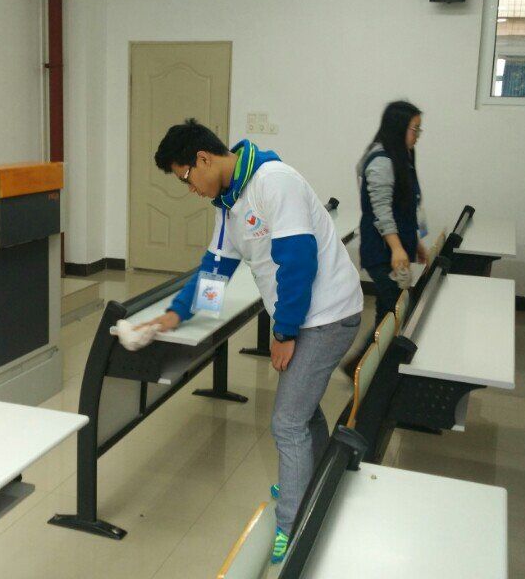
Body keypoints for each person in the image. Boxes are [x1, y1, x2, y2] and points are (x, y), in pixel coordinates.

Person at [143, 119, 363, 564]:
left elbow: (298, 263)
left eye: (186, 178)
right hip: (307, 317)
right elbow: (216, 268)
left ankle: (294, 526)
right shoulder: (228, 203)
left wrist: (283, 332)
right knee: (301, 410)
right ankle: (313, 482)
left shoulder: (273, 181)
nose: (191, 189)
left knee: (287, 422)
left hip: (329, 316)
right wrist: (179, 312)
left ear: (203, 159)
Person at [357, 101, 428, 327]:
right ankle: (374, 349)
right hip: (382, 248)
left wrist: (415, 242)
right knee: (391, 308)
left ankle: (378, 348)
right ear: (398, 128)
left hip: (397, 244)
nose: (418, 135)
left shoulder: (403, 154)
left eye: (419, 129)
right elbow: (382, 212)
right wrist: (397, 248)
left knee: (392, 306)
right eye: (415, 129)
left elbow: (406, 207)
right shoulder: (382, 161)